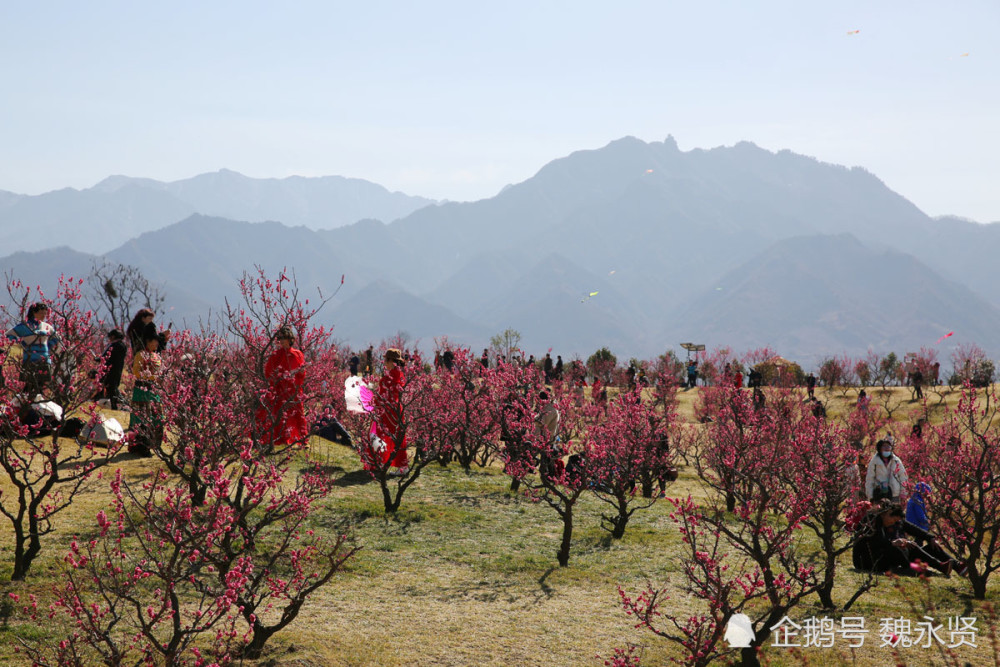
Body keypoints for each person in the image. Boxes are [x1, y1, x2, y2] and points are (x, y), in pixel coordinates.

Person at [852, 503, 964, 577]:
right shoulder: (873, 521)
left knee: (923, 546)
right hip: (868, 559)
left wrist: (930, 538)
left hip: (886, 554)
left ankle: (953, 566)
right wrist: (894, 542)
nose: (894, 523)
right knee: (898, 548)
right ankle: (919, 570)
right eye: (893, 520)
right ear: (886, 513)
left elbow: (914, 530)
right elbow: (875, 542)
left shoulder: (894, 521)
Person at [256, 326, 307, 449]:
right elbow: (268, 372)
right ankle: (281, 438)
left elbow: (302, 373)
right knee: (278, 414)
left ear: (290, 339)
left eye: (285, 338)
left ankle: (303, 438)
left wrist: (299, 373)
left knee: (298, 414)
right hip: (279, 389)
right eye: (281, 339)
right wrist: (277, 380)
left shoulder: (297, 354)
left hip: (293, 390)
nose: (283, 341)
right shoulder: (275, 355)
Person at [5, 302, 59, 397]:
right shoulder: (25, 326)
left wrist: (48, 345)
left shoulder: (46, 326)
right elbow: (9, 334)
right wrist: (21, 343)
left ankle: (37, 403)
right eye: (41, 313)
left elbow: (57, 337)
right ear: (34, 312)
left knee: (41, 384)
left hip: (44, 359)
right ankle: (28, 403)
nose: (43, 315)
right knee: (30, 384)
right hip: (30, 358)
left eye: (45, 313)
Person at [127, 331, 163, 457]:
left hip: (154, 390)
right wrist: (151, 376)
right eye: (155, 341)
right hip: (142, 390)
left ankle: (153, 445)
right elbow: (136, 372)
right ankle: (141, 447)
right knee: (141, 417)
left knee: (155, 416)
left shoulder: (156, 356)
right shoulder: (140, 355)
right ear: (148, 341)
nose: (157, 343)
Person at [374, 348, 408, 475]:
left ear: (392, 361)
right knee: (392, 437)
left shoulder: (394, 374)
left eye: (386, 360)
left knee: (391, 437)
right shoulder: (395, 373)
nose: (384, 362)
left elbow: (389, 392)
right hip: (390, 410)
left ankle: (398, 465)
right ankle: (388, 463)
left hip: (390, 410)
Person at [94, 329, 127, 409]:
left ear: (113, 336)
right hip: (118, 370)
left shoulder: (114, 345)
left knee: (111, 388)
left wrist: (97, 359)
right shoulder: (123, 346)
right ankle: (117, 404)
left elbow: (106, 357)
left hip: (110, 370)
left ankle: (115, 405)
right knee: (113, 388)